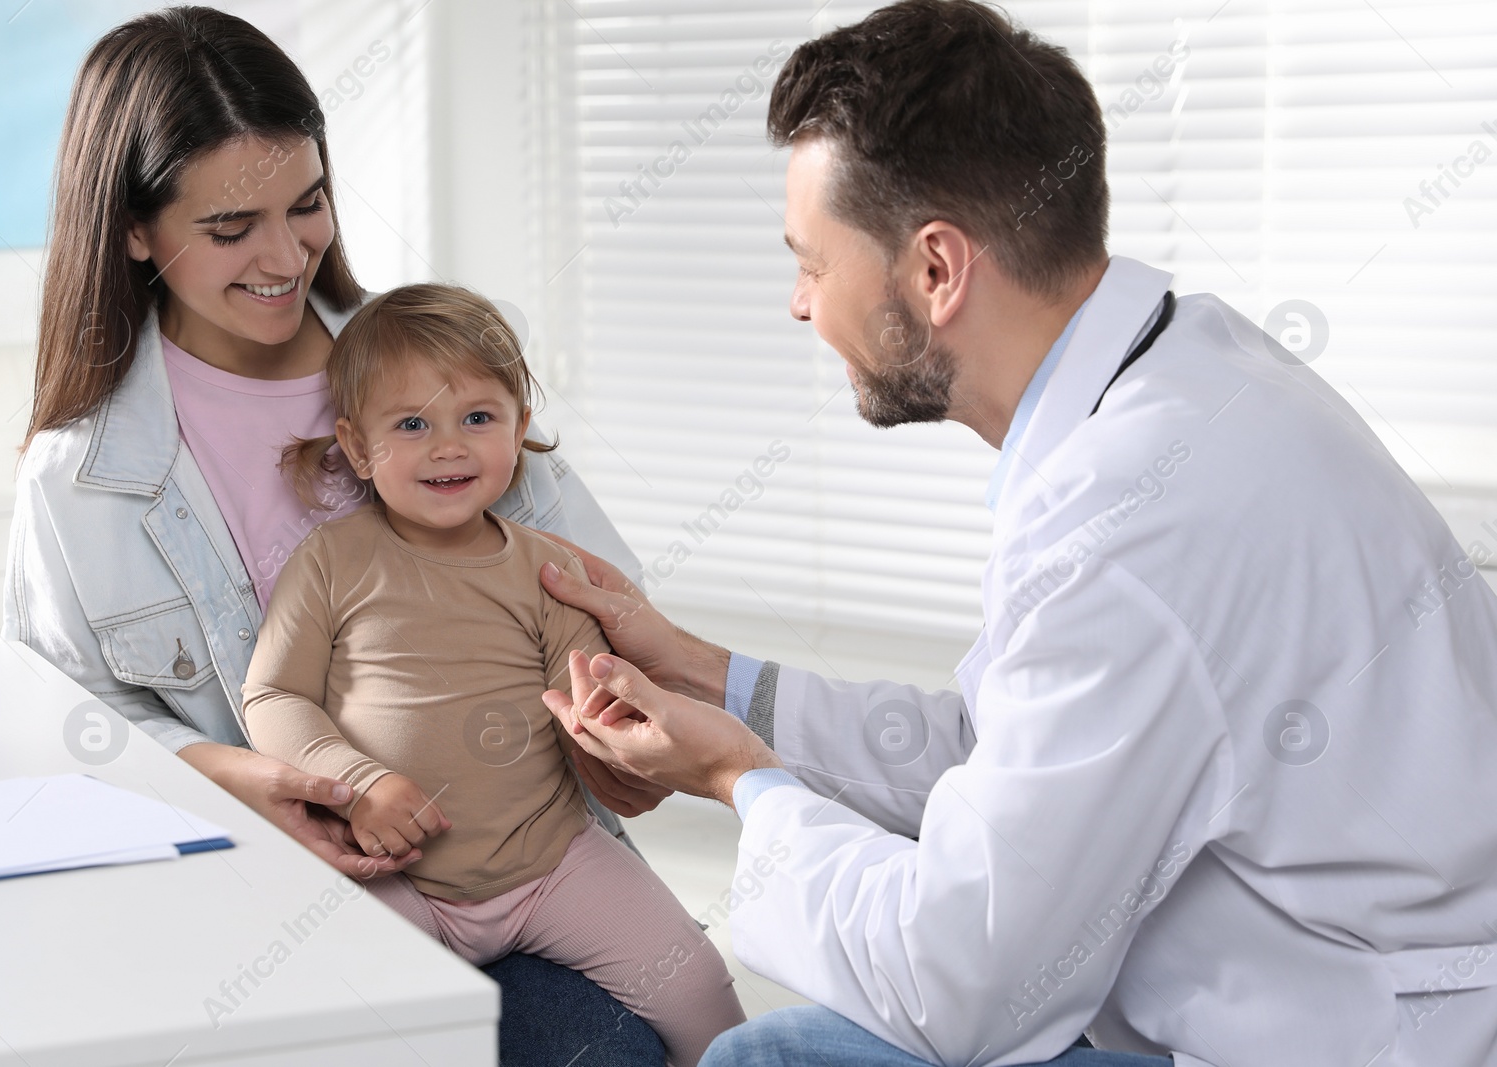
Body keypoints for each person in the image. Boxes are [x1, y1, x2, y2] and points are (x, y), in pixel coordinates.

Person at [537, 2, 1497, 1065]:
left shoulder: (1132, 517)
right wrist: (715, 678)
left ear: (936, 268)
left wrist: (740, 782)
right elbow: (1007, 751)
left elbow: (959, 984)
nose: (799, 306)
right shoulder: (1185, 375)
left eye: (811, 261)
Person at [2, 8, 663, 1063]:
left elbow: (612, 610)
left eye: (305, 205)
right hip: (264, 913)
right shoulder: (78, 476)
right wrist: (234, 772)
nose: (283, 254)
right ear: (134, 229)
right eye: (230, 228)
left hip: (523, 876)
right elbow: (61, 728)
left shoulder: (444, 372)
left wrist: (622, 732)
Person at [241, 283, 746, 1066]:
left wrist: (614, 744)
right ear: (357, 444)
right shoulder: (332, 562)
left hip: (551, 863)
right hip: (394, 875)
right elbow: (272, 695)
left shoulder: (548, 567)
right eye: (413, 424)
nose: (449, 445)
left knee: (701, 988)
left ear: (518, 425)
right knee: (319, 1010)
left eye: (478, 417)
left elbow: (589, 696)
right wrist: (356, 779)